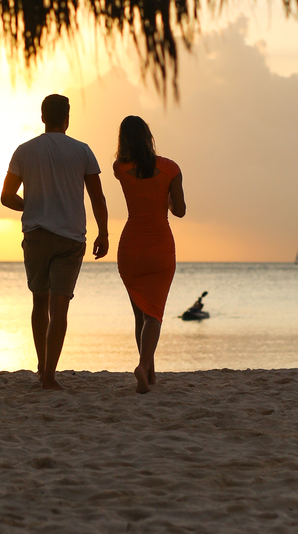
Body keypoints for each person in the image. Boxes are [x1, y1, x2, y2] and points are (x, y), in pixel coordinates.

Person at [1, 94, 109, 390]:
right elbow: (97, 196)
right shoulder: (82, 151)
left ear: (42, 117)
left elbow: (6, 197)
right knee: (60, 305)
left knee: (39, 300)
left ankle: (40, 366)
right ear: (67, 119)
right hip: (71, 237)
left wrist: (33, 205)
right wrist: (104, 232)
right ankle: (50, 374)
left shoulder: (25, 150)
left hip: (36, 235)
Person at [113, 115, 186, 394]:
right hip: (160, 248)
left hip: (131, 247)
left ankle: (150, 373)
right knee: (154, 313)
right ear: (148, 136)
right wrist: (167, 199)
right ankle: (144, 368)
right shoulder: (171, 169)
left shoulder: (119, 168)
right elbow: (179, 211)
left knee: (140, 315)